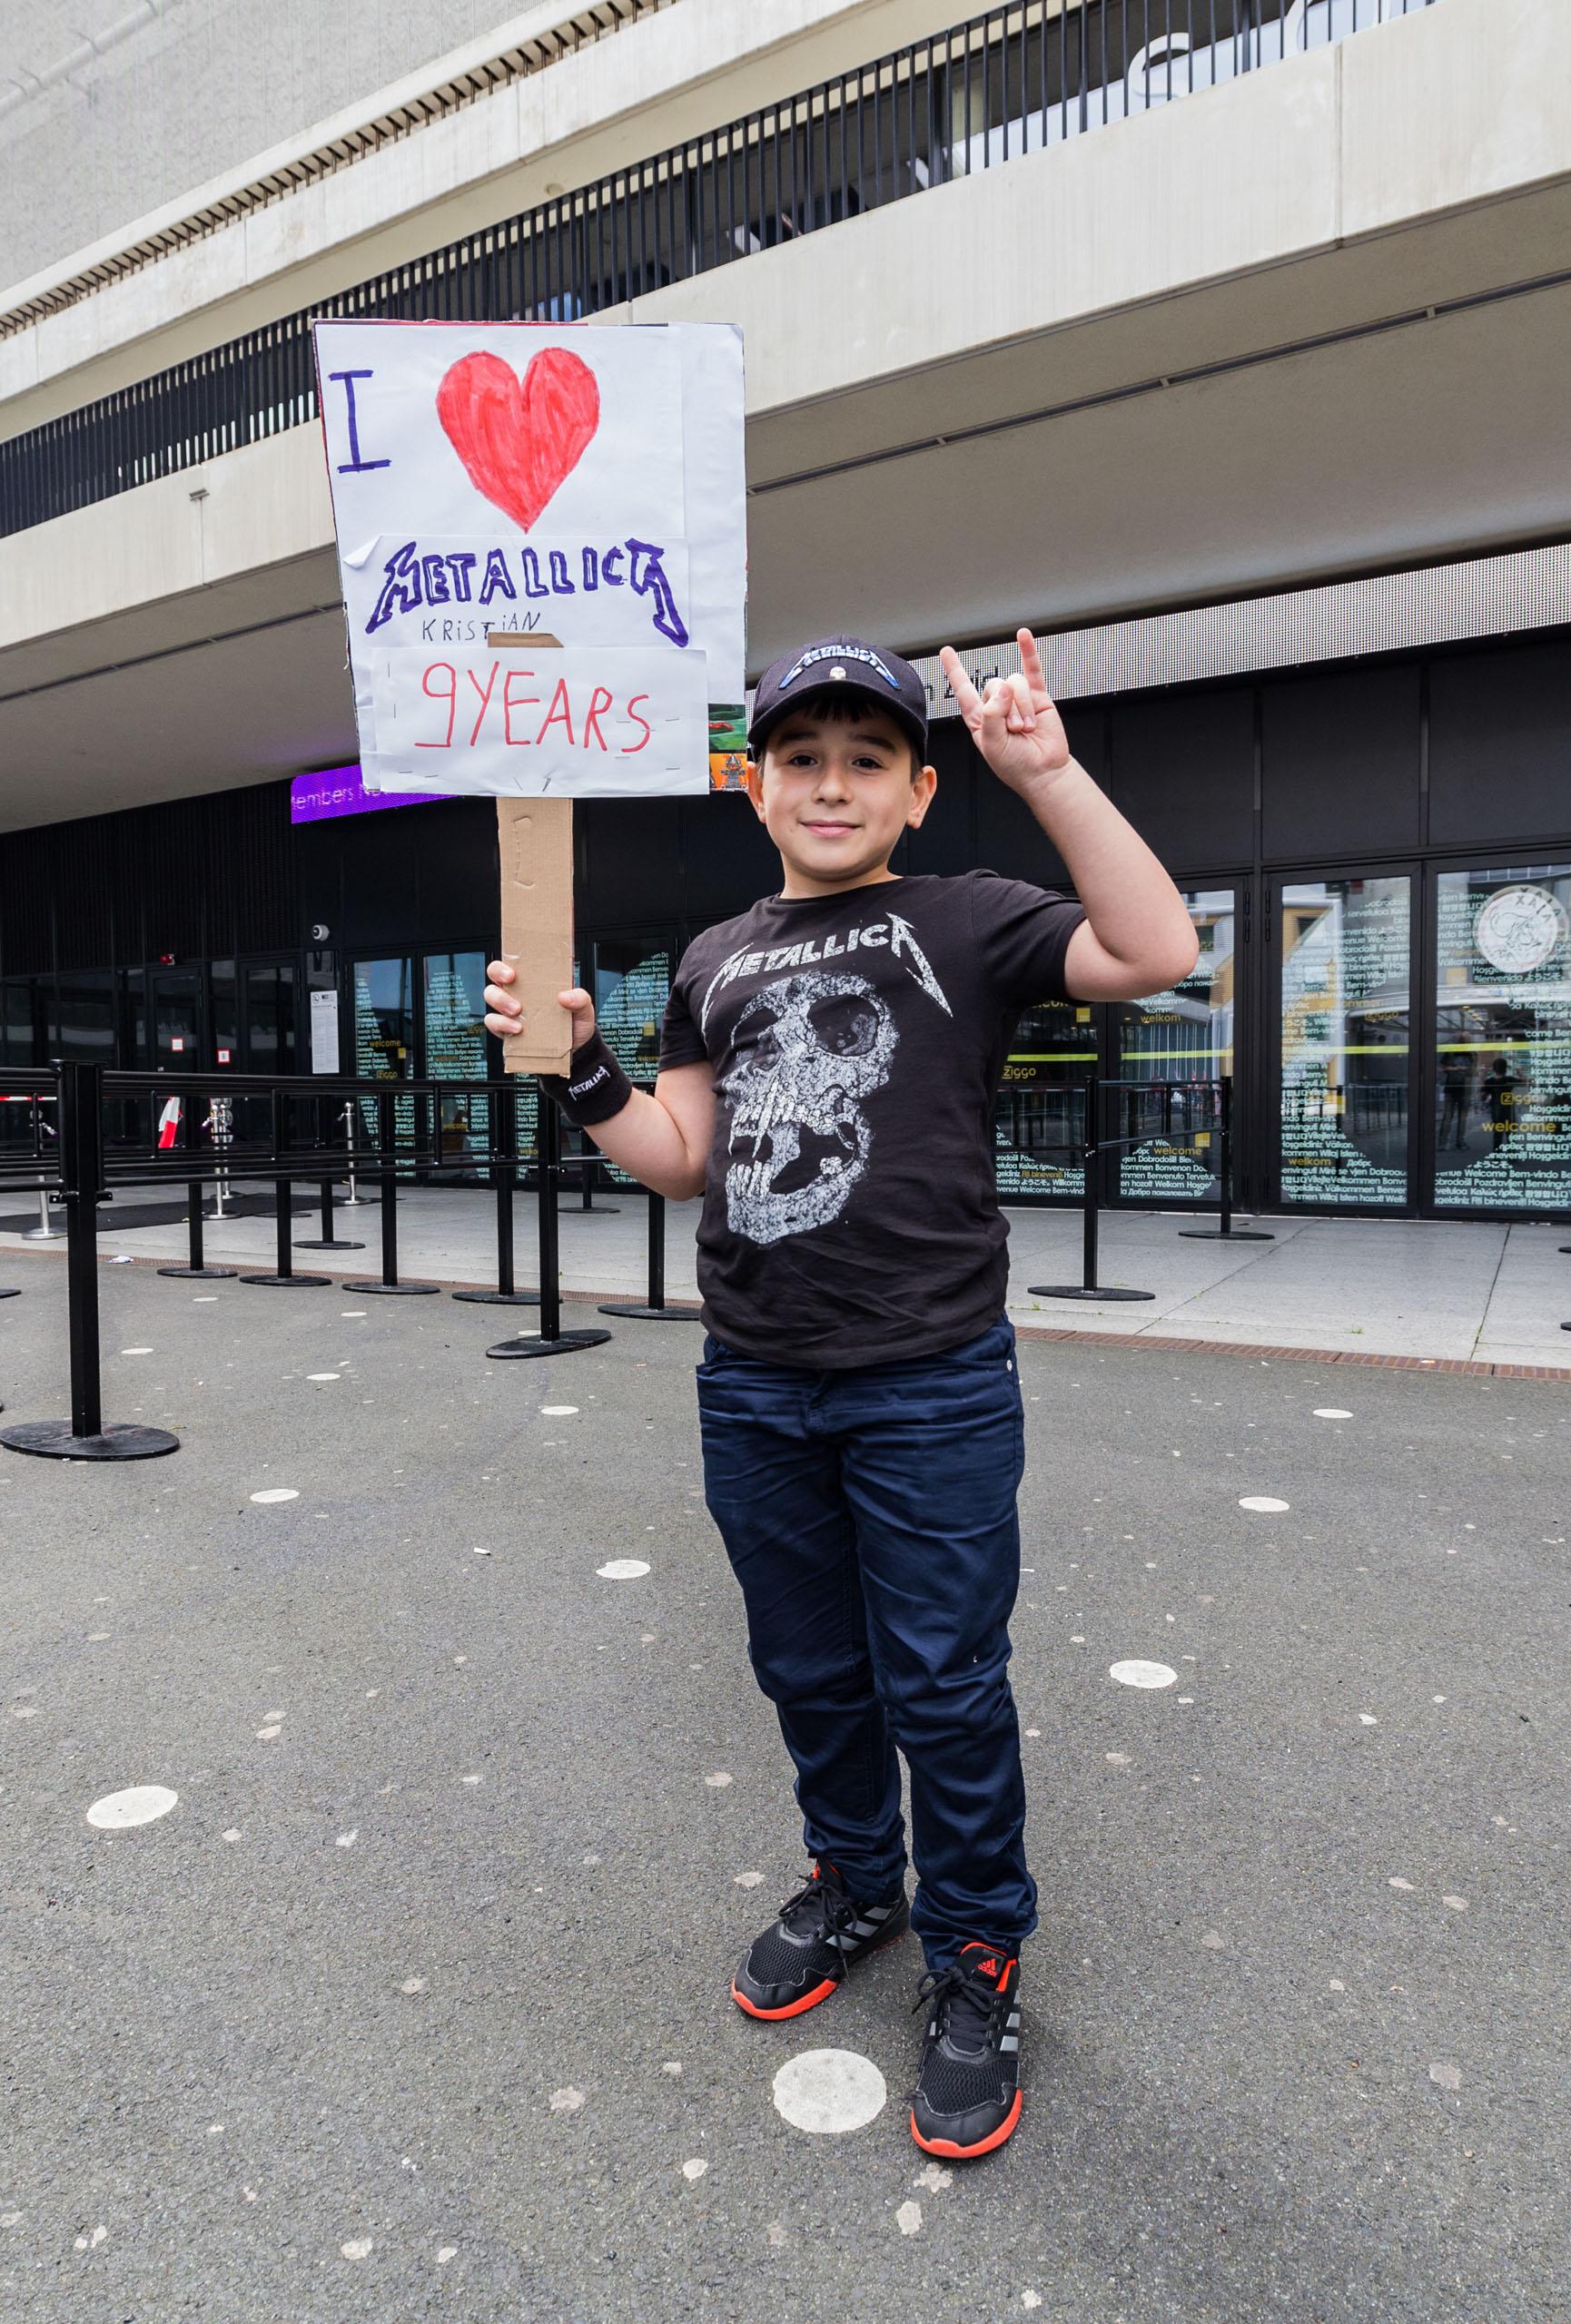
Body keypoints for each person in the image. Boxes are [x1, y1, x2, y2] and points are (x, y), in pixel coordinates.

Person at [481, 630, 1195, 2161]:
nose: (831, 783)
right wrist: (584, 1069)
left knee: (942, 1682)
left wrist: (1048, 776)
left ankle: (977, 1944)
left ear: (918, 790)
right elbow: (684, 1158)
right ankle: (860, 1879)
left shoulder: (970, 917)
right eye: (801, 758)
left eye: (868, 759)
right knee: (807, 1668)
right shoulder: (712, 959)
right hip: (754, 1381)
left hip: (932, 1381)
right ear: (754, 785)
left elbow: (1154, 951)